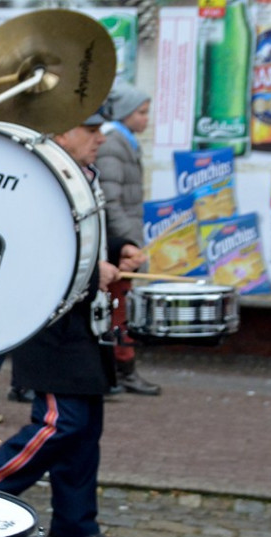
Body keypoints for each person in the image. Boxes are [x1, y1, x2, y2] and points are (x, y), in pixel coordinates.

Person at [0, 109, 145, 537]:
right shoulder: (37, 180)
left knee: (85, 430)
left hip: (88, 319)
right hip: (50, 323)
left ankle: (74, 524)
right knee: (59, 424)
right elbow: (28, 253)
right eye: (90, 129)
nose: (100, 138)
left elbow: (100, 227)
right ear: (61, 131)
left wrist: (123, 245)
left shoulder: (86, 173)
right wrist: (90, 275)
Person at [95, 83, 160, 396]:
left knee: (119, 308)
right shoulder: (113, 144)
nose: (146, 119)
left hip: (123, 239)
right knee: (117, 309)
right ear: (124, 113)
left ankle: (121, 369)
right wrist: (126, 242)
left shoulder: (126, 142)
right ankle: (121, 369)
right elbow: (111, 201)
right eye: (141, 112)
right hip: (119, 242)